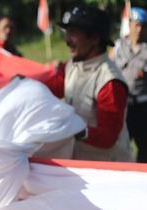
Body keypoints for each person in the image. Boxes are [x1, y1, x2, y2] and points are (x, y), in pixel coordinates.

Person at [46, 5, 132, 162]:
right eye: (68, 33)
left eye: (73, 34)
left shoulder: (110, 83)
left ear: (94, 39)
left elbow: (108, 138)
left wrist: (73, 129)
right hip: (83, 165)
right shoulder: (72, 66)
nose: (67, 41)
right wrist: (21, 85)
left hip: (108, 173)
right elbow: (47, 90)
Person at [112, 7, 147, 163]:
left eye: (142, 26)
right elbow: (109, 66)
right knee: (120, 146)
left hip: (142, 105)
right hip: (122, 105)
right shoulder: (119, 46)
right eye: (136, 24)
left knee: (144, 147)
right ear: (130, 24)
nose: (138, 29)